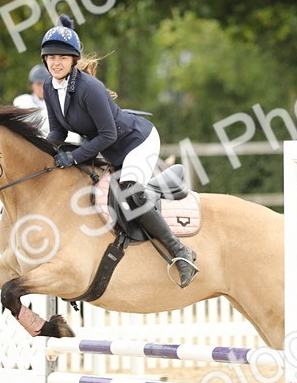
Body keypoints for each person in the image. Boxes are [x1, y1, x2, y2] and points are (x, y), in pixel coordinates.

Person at [39, 15, 198, 288]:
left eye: (62, 57)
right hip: (109, 148)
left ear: (73, 60)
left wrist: (74, 156)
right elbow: (58, 133)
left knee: (130, 191)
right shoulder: (49, 88)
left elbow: (108, 134)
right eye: (51, 57)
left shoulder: (90, 89)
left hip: (137, 142)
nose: (56, 62)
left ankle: (180, 252)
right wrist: (42, 153)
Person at [13, 64, 51, 136]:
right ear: (31, 85)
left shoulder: (59, 103)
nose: (42, 88)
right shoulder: (22, 102)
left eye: (45, 84)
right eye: (38, 84)